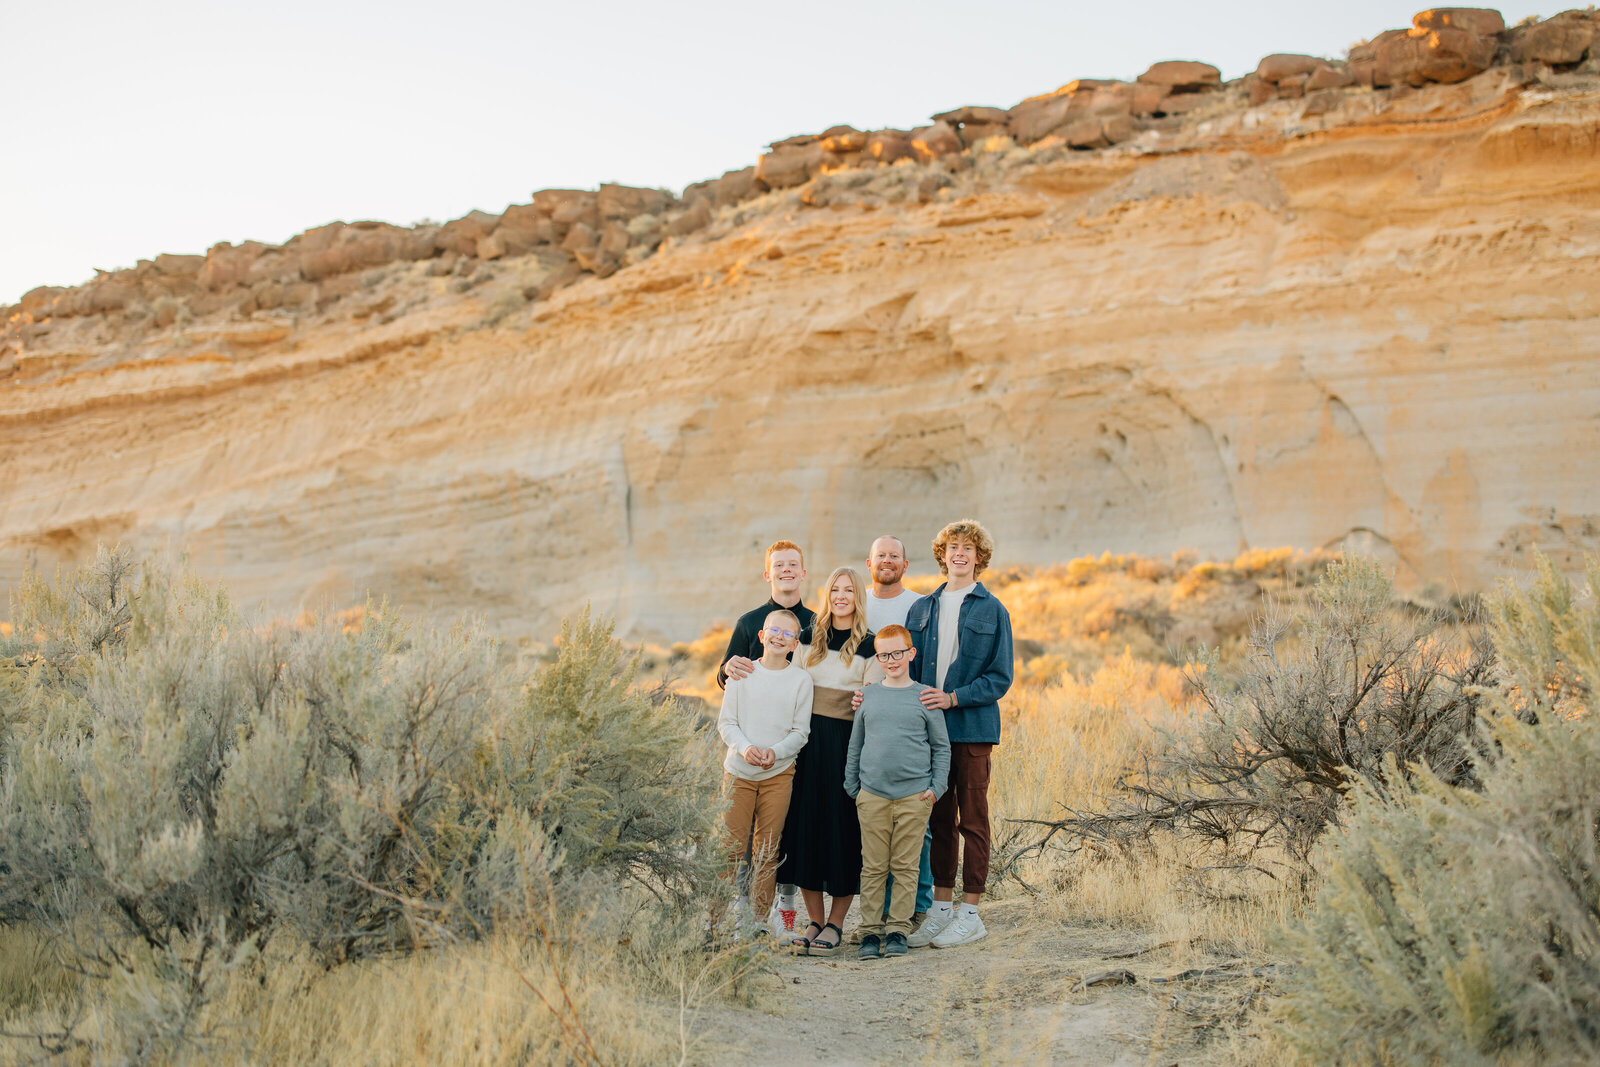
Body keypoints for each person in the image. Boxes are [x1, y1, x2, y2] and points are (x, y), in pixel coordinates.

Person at [902, 520, 1013, 950]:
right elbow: (908, 672)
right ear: (943, 555)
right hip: (931, 733)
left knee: (974, 819)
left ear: (979, 557)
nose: (960, 554)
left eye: (968, 548)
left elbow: (1000, 678)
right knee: (938, 819)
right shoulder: (923, 608)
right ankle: (941, 912)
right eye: (952, 547)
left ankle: (971, 914)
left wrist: (954, 698)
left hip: (971, 729)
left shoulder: (992, 609)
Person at [778, 566, 882, 956]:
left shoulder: (869, 646)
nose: (841, 596)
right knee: (804, 829)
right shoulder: (808, 639)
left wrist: (864, 700)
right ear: (827, 595)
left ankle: (836, 924)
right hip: (806, 743)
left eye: (849, 590)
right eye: (835, 590)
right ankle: (813, 919)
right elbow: (788, 685)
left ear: (858, 597)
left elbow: (872, 698)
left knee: (842, 831)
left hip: (845, 745)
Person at [717, 539, 817, 935]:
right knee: (738, 840)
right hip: (748, 753)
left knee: (782, 834)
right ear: (768, 573)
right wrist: (727, 670)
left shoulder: (816, 622)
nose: (787, 570)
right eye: (780, 565)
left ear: (803, 572)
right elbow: (728, 678)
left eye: (794, 564)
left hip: (794, 749)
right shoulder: (748, 623)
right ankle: (738, 911)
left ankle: (782, 910)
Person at [845, 624, 950, 961]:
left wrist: (936, 789)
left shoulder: (925, 697)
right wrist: (853, 787)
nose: (892, 660)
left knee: (905, 867)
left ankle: (898, 931)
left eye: (898, 653)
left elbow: (941, 748)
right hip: (872, 795)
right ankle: (871, 931)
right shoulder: (869, 695)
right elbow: (856, 746)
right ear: (878, 658)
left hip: (914, 797)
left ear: (910, 654)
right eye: (884, 654)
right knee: (873, 867)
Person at [862, 534, 935, 925]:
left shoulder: (920, 606)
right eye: (880, 556)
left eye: (895, 556)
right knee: (875, 818)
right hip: (866, 719)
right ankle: (877, 911)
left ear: (905, 565)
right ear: (869, 563)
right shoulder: (858, 603)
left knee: (914, 823)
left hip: (910, 718)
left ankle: (916, 908)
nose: (887, 561)